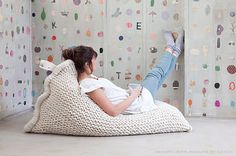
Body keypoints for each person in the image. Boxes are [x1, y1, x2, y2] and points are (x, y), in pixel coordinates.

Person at [62, 30, 184, 117]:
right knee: (156, 73)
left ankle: (175, 51)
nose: (96, 64)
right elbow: (114, 112)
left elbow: (74, 53)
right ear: (86, 64)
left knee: (161, 76)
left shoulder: (89, 79)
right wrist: (134, 95)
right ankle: (170, 47)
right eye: (94, 61)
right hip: (139, 102)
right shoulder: (89, 86)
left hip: (136, 97)